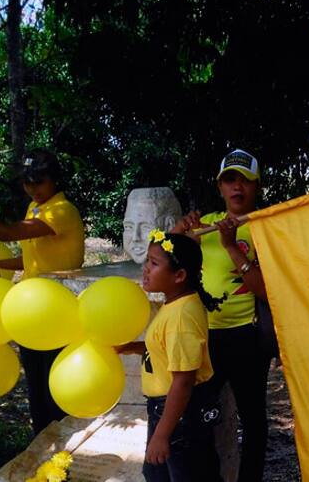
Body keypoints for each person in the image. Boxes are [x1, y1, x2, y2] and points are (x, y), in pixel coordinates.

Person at [0, 148, 85, 434]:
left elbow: (9, 233)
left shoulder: (62, 211)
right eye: (27, 182)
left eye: (39, 182)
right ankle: (41, 448)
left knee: (58, 386)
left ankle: (65, 448)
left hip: (58, 312)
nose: (33, 189)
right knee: (37, 387)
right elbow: (31, 259)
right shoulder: (35, 208)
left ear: (55, 180)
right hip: (32, 312)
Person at [172, 149, 272, 481]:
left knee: (253, 421)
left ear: (257, 186)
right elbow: (166, 261)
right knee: (197, 415)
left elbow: (266, 291)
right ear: (219, 187)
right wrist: (178, 231)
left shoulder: (265, 226)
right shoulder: (205, 225)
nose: (237, 187)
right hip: (206, 336)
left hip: (248, 336)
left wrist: (231, 245)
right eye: (230, 179)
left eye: (245, 180)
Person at [116, 231, 224, 481]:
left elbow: (183, 381)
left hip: (180, 416)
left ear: (179, 276)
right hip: (169, 413)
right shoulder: (176, 303)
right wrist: (132, 347)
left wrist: (162, 435)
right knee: (157, 474)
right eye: (147, 260)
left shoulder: (181, 318)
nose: (145, 268)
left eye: (154, 263)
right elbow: (166, 350)